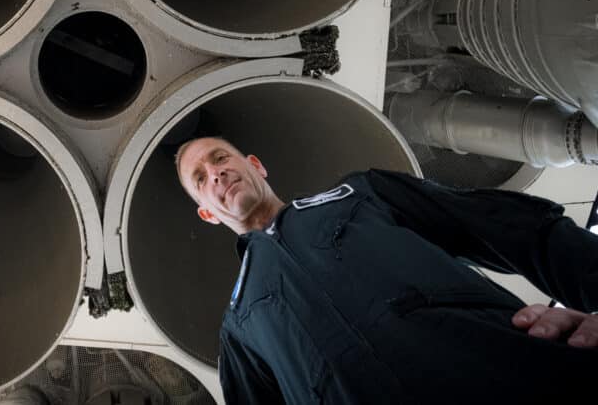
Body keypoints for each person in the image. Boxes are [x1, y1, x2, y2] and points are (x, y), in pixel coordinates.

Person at [175, 136, 598, 403]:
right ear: (207, 215)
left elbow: (512, 227)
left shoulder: (361, 194)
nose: (217, 173)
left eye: (221, 157)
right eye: (201, 178)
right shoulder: (240, 331)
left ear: (255, 164)